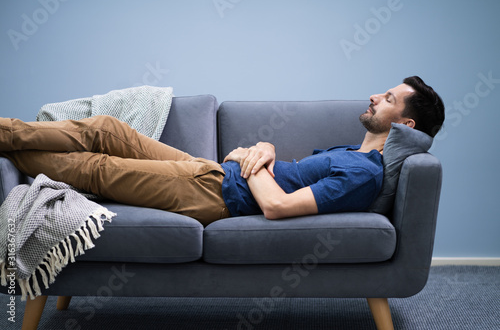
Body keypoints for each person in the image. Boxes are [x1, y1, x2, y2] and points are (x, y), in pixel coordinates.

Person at [0, 76, 444, 226]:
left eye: (388, 99)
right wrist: (263, 148)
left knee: (97, 167)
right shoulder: (351, 151)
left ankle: (12, 154)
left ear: (406, 124)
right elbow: (283, 174)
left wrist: (252, 158)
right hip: (210, 172)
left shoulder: (365, 173)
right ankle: (9, 135)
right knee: (108, 127)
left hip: (214, 196)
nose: (374, 97)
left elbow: (276, 205)